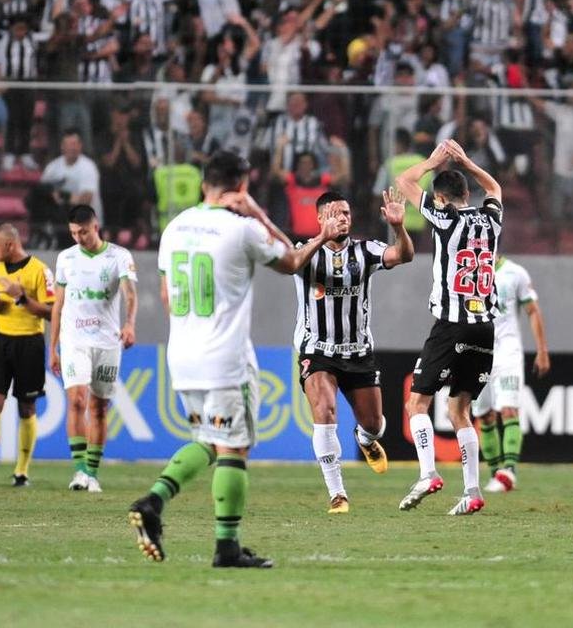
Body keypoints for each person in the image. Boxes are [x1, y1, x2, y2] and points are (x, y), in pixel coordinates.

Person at [128, 152, 323, 568]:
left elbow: (166, 296)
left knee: (207, 441)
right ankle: (227, 547)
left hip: (182, 354)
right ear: (242, 186)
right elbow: (292, 260)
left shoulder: (175, 227)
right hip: (225, 357)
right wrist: (257, 213)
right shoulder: (242, 228)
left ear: (204, 185)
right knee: (235, 448)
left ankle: (154, 502)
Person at [395, 139, 503, 516]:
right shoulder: (490, 218)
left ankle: (428, 474)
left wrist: (431, 161)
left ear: (440, 199)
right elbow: (494, 189)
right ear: (467, 193)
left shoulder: (445, 218)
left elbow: (404, 182)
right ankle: (472, 490)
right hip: (485, 329)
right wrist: (468, 161)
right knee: (461, 410)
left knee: (417, 403)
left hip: (452, 323)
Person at [292, 188, 414, 513]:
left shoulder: (365, 251)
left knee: (375, 423)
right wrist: (320, 238)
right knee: (325, 412)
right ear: (319, 219)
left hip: (358, 352)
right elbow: (289, 264)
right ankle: (338, 495)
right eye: (334, 213)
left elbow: (404, 255)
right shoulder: (305, 251)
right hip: (317, 350)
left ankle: (365, 438)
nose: (342, 218)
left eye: (346, 213)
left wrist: (399, 228)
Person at [49, 205, 138, 493]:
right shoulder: (66, 259)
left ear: (95, 226)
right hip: (74, 340)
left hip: (107, 341)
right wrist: (53, 348)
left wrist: (130, 324)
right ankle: (79, 472)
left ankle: (92, 473)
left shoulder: (119, 257)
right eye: (74, 233)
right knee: (76, 400)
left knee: (99, 408)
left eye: (83, 232)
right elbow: (58, 306)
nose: (78, 238)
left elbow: (130, 294)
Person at [0, 224, 55, 487]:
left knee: (27, 407)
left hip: (29, 343)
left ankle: (21, 472)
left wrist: (21, 298)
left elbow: (53, 312)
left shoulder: (39, 270)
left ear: (10, 245)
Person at [473, 255, 550, 493]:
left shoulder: (515, 273)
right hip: (476, 354)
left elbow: (533, 310)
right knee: (484, 415)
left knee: (508, 409)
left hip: (508, 352)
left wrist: (542, 350)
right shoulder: (467, 272)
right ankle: (496, 474)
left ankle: (510, 470)